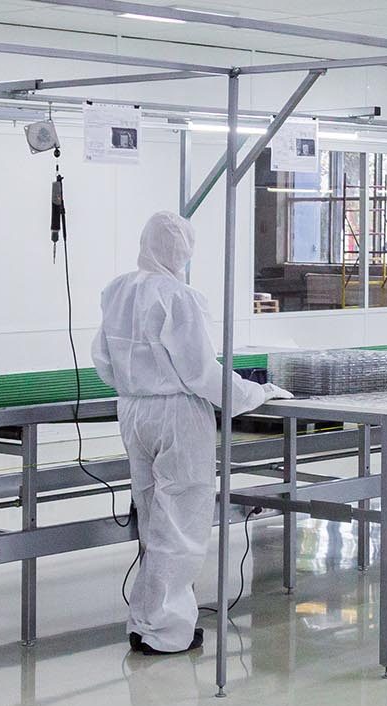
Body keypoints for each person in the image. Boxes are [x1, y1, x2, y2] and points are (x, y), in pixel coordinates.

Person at [93, 211, 292, 655]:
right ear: (182, 251)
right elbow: (203, 373)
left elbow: (102, 359)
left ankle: (145, 621)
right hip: (178, 415)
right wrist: (256, 393)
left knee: (151, 516)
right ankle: (167, 630)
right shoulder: (180, 298)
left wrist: (137, 385)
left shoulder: (118, 290)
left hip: (133, 410)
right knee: (180, 521)